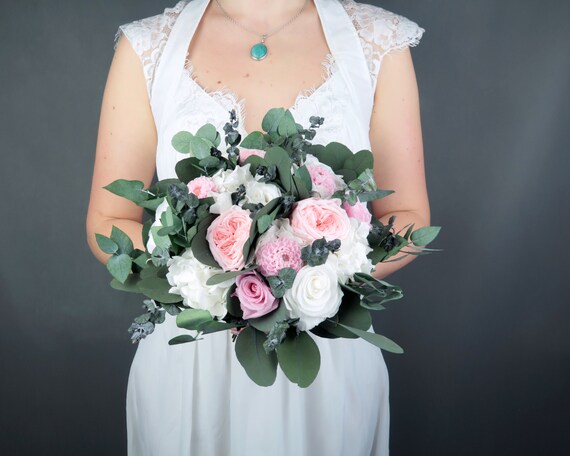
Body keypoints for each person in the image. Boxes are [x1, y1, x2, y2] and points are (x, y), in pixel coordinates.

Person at [86, 0, 429, 454]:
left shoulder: (378, 42)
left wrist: (311, 279)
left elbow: (407, 214)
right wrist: (210, 278)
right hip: (189, 366)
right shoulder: (147, 46)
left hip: (326, 353)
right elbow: (108, 220)